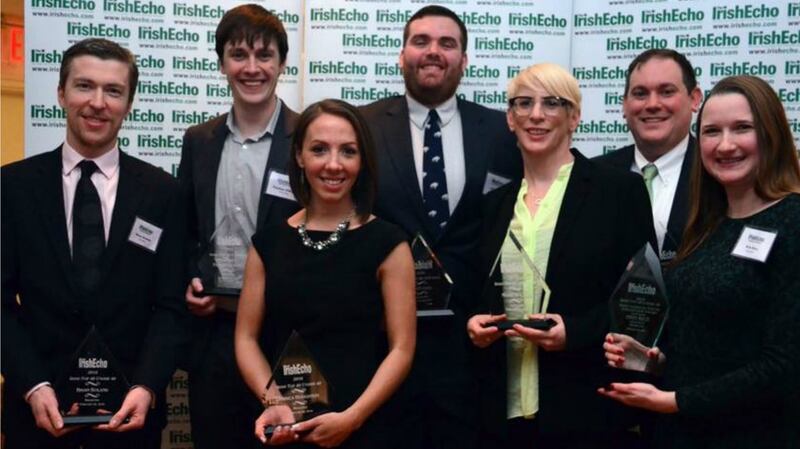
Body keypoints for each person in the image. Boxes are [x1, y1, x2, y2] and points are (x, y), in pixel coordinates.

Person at [1, 38, 187, 449]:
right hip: (35, 415)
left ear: (129, 103)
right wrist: (32, 385)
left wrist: (147, 387)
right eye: (85, 86)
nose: (98, 102)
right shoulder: (11, 187)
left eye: (114, 91)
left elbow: (171, 307)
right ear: (61, 93)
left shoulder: (164, 194)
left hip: (128, 420)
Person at [601, 76, 800, 449]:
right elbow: (710, 341)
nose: (725, 145)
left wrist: (676, 400)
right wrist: (653, 360)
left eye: (742, 128)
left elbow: (785, 365)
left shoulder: (793, 221)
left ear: (771, 133)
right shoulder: (707, 225)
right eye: (711, 132)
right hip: (681, 433)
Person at [466, 63, 655, 449]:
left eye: (552, 103)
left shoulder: (618, 192)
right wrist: (472, 324)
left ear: (574, 117)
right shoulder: (493, 205)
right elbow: (475, 293)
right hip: (500, 415)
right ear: (510, 118)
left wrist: (578, 332)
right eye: (523, 103)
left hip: (585, 409)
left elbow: (644, 299)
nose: (536, 114)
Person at [359, 6, 519, 448]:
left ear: (464, 60)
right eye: (421, 41)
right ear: (401, 54)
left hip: (472, 343)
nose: (433, 52)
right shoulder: (364, 127)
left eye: (447, 44)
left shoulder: (503, 132)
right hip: (383, 339)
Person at [234, 99, 416, 448]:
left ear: (362, 161)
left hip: (365, 427)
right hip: (284, 428)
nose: (334, 165)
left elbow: (402, 349)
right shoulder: (268, 243)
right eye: (319, 150)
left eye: (348, 151)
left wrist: (353, 417)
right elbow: (245, 339)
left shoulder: (390, 244)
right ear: (300, 156)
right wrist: (274, 403)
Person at [177, 5, 299, 448]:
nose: (252, 68)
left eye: (264, 55)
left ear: (282, 64)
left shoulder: (308, 139)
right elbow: (185, 229)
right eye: (238, 55)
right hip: (215, 335)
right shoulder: (198, 141)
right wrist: (192, 276)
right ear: (221, 62)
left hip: (285, 334)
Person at [594, 49, 702, 263]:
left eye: (667, 92)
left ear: (694, 99)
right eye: (640, 93)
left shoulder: (716, 173)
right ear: (625, 105)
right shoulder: (593, 175)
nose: (652, 104)